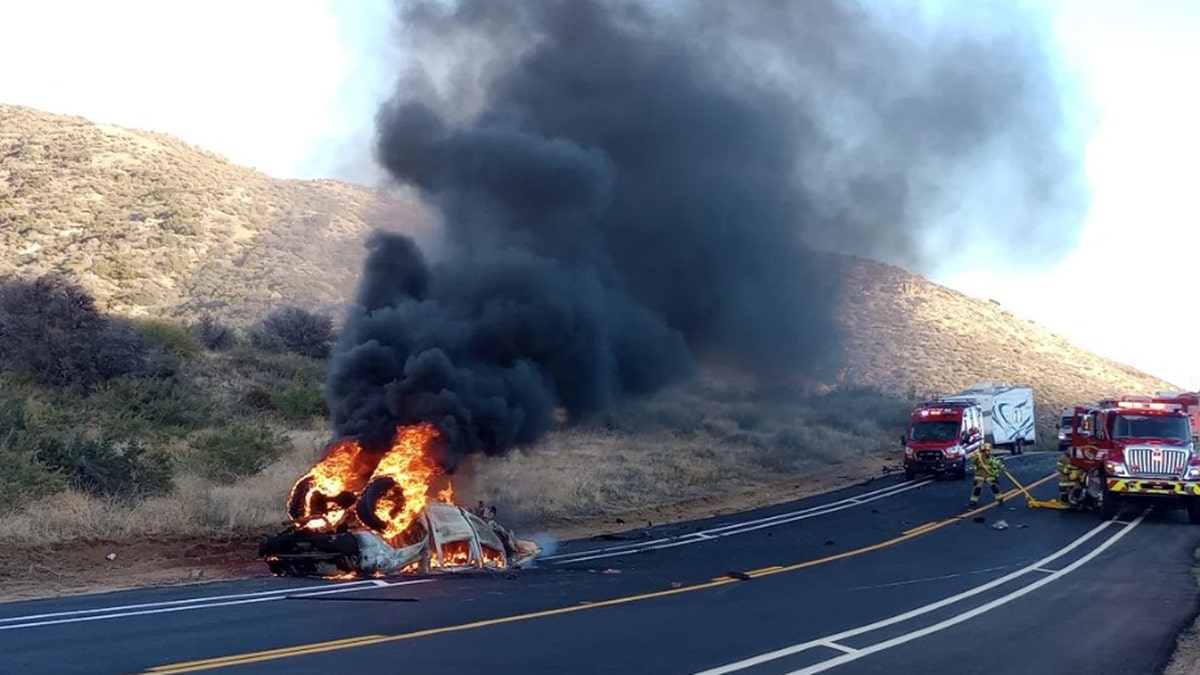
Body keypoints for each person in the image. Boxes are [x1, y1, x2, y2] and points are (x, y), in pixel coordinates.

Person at [967, 442, 1004, 509]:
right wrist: (974, 456)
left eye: (989, 451)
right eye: (987, 451)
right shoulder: (978, 456)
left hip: (989, 473)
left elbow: (996, 461)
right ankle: (973, 500)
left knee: (993, 486)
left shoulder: (990, 458)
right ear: (984, 450)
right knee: (978, 487)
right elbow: (972, 459)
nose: (989, 452)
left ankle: (999, 498)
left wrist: (1001, 466)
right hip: (980, 473)